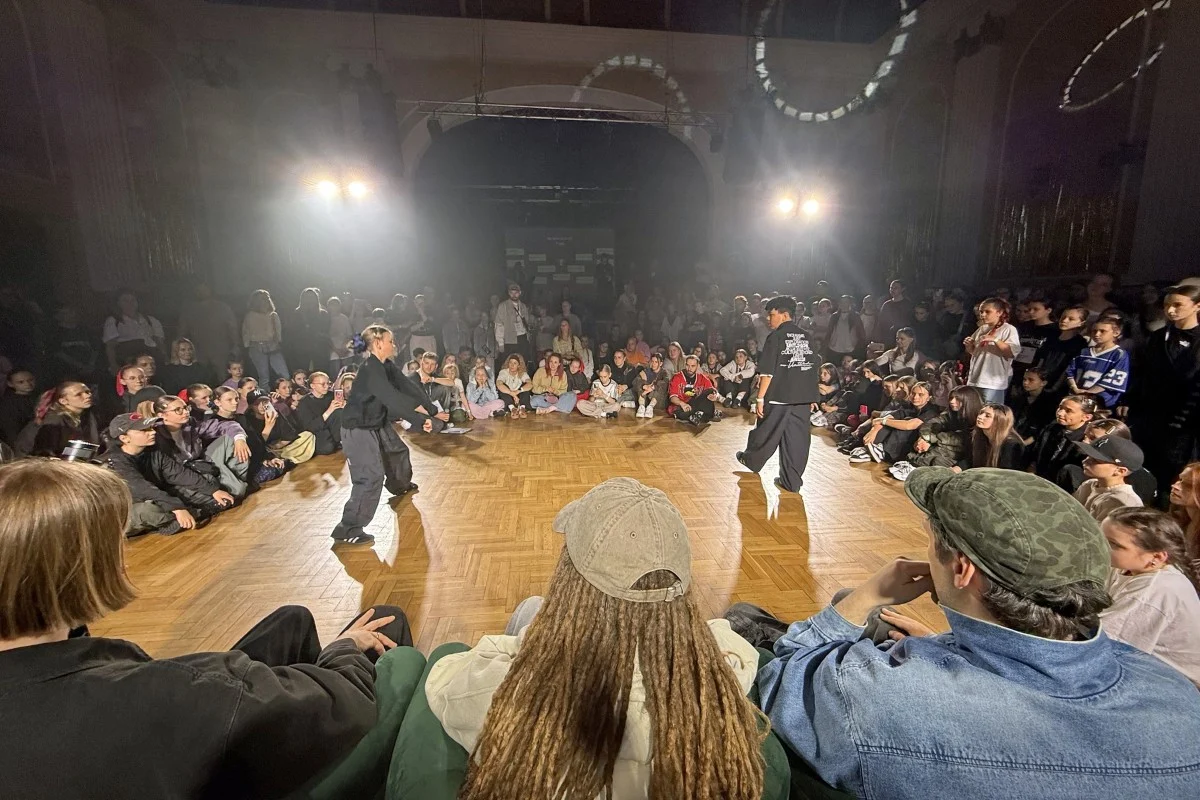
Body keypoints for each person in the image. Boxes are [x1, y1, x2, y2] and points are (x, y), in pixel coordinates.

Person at [752, 467, 1200, 798]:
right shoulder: (1175, 693)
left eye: (931, 543)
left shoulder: (874, 693)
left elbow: (777, 682)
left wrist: (865, 597)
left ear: (963, 570)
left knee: (745, 620)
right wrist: (937, 644)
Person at [0, 458, 416, 800]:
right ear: (81, 568)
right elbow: (345, 703)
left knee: (292, 619)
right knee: (388, 627)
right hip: (229, 768)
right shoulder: (159, 692)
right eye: (116, 544)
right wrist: (344, 649)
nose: (124, 557)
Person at [425, 478, 767, 800]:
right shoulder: (721, 684)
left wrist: (539, 642)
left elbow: (442, 677)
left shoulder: (509, 696)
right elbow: (723, 641)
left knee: (530, 609)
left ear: (570, 584)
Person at [333, 325, 436, 546]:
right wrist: (418, 420)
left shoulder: (385, 365)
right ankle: (348, 529)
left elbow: (406, 385)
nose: (394, 344)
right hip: (357, 428)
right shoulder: (371, 370)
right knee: (370, 477)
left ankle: (399, 485)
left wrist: (430, 408)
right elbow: (393, 399)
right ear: (378, 343)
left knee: (397, 452)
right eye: (391, 341)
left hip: (375, 422)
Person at [1101, 507, 1200, 686]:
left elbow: (1105, 645)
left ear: (1156, 557)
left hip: (1178, 685)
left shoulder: (1156, 589)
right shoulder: (1128, 567)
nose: (1101, 546)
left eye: (1114, 544)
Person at [736, 296, 820, 492]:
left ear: (784, 315)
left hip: (779, 396)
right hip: (802, 398)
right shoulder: (807, 337)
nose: (768, 319)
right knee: (797, 440)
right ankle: (791, 482)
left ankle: (751, 460)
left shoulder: (775, 337)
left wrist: (760, 398)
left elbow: (767, 372)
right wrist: (812, 397)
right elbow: (812, 368)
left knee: (765, 431)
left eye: (772, 314)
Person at [102, 413, 234, 536]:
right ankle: (186, 516)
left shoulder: (152, 451)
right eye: (144, 430)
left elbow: (179, 474)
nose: (152, 432)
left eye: (151, 428)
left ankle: (185, 516)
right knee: (149, 510)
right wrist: (177, 507)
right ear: (124, 438)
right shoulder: (113, 462)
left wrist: (213, 491)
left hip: (156, 496)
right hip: (124, 511)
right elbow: (142, 489)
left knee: (209, 488)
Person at [1129, 285, 1200, 504]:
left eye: (1178, 305)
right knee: (1145, 465)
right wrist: (1131, 400)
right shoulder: (1158, 337)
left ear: (1197, 306)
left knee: (1173, 470)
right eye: (1167, 305)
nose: (1170, 310)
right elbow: (1142, 371)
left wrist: (1185, 417)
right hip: (1151, 414)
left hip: (1185, 419)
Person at [148, 394, 251, 498]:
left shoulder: (190, 423)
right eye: (178, 410)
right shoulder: (155, 435)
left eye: (186, 407)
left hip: (200, 464)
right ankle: (231, 487)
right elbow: (170, 472)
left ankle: (235, 483)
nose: (185, 412)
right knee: (237, 491)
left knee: (231, 438)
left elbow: (227, 425)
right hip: (181, 476)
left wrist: (239, 439)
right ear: (162, 415)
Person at [888, 386, 983, 479]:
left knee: (939, 454)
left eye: (957, 398)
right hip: (943, 448)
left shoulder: (977, 422)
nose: (952, 401)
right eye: (951, 398)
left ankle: (916, 469)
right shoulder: (950, 414)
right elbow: (931, 424)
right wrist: (925, 438)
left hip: (959, 457)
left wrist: (931, 439)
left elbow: (957, 440)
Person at [963, 297, 1021, 404]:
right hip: (976, 378)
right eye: (981, 312)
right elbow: (975, 353)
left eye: (987, 312)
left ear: (999, 312)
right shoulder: (982, 329)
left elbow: (1011, 353)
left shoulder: (1008, 329)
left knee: (990, 410)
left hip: (993, 382)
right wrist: (969, 346)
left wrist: (995, 340)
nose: (983, 315)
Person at [1073, 436, 1145, 521]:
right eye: (1088, 456)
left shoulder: (1124, 502)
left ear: (1120, 471)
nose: (1084, 461)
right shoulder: (1089, 484)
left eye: (1095, 460)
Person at [1030, 395, 1096, 487]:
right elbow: (1036, 452)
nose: (1060, 413)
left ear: (1086, 417)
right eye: (1060, 408)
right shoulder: (1052, 428)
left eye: (1068, 411)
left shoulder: (1087, 440)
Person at [1066, 317, 1130, 409]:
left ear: (1116, 333)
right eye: (1094, 331)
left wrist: (1088, 393)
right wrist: (1074, 388)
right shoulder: (1083, 352)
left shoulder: (1119, 354)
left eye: (1102, 331)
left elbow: (1112, 380)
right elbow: (1070, 372)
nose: (1097, 334)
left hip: (1101, 403)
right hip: (1077, 399)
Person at [176, 283, 240, 373]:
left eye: (204, 289)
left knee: (221, 373)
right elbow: (182, 331)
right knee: (200, 374)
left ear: (210, 290)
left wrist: (235, 345)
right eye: (199, 290)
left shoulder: (222, 308)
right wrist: (178, 348)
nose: (201, 292)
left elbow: (232, 328)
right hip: (198, 349)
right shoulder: (189, 310)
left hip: (220, 348)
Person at [102, 289, 164, 374]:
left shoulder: (151, 320)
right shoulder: (113, 321)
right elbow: (110, 346)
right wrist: (113, 365)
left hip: (151, 357)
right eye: (125, 300)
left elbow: (160, 343)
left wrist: (165, 359)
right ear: (118, 303)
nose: (129, 303)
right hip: (128, 359)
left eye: (132, 300)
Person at [1032, 304, 1087, 396]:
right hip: (1038, 383)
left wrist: (1054, 388)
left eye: (1071, 319)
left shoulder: (1080, 343)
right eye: (1063, 317)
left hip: (1057, 389)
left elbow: (1068, 369)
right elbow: (1041, 359)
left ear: (1081, 323)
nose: (1064, 320)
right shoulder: (1051, 336)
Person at [294, 371, 346, 454]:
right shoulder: (304, 402)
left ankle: (340, 440)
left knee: (340, 412)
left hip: (331, 429)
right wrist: (329, 410)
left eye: (328, 383)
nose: (327, 386)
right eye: (323, 384)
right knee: (327, 448)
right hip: (316, 432)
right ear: (312, 386)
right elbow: (310, 427)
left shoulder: (332, 395)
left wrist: (345, 406)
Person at [243, 289, 288, 384]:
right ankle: (264, 393)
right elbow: (246, 333)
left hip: (273, 347)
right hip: (256, 347)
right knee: (264, 377)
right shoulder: (250, 316)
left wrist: (277, 343)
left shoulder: (273, 315)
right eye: (262, 299)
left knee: (284, 375)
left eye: (267, 298)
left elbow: (278, 333)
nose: (265, 301)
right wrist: (247, 347)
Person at [286, 288, 330, 375]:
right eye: (307, 299)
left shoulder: (323, 314)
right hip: (301, 350)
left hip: (319, 349)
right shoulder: (296, 314)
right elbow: (292, 332)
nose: (310, 301)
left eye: (312, 298)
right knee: (302, 373)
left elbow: (325, 329)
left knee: (320, 372)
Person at [667, 354, 720, 426]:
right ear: (685, 364)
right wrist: (682, 404)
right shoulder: (677, 377)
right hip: (682, 405)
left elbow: (714, 391)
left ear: (697, 366)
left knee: (710, 391)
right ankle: (702, 415)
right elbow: (672, 398)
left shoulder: (701, 377)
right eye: (687, 365)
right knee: (681, 413)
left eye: (693, 366)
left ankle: (698, 415)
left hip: (695, 403)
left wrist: (715, 396)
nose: (689, 368)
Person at [1010, 366, 1057, 446]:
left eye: (1031, 380)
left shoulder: (1049, 402)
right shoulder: (1019, 398)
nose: (1025, 382)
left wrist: (1024, 443)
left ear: (1043, 383)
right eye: (1024, 379)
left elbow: (1043, 427)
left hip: (1033, 442)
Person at [493, 283, 533, 366]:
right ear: (509, 293)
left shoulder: (523, 306)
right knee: (508, 363)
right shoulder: (503, 306)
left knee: (522, 362)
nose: (514, 295)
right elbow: (499, 325)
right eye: (512, 293)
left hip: (522, 337)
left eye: (516, 293)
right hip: (509, 339)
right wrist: (500, 343)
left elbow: (527, 322)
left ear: (520, 293)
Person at [0, 369, 36, 448]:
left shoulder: (36, 397)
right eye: (21, 382)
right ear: (10, 384)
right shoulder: (8, 404)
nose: (28, 384)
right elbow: (10, 430)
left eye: (30, 380)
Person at [495, 354, 532, 418]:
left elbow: (530, 384)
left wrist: (518, 391)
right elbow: (499, 384)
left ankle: (522, 408)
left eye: (515, 363)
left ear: (519, 365)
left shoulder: (522, 373)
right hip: (508, 397)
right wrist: (512, 393)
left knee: (525, 386)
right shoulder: (503, 372)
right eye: (510, 362)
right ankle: (512, 408)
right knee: (503, 386)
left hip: (519, 398)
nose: (512, 365)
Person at [633, 352, 668, 418]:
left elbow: (665, 383)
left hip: (658, 401)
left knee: (660, 386)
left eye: (656, 362)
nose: (653, 364)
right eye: (652, 361)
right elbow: (635, 381)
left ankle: (650, 407)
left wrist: (652, 387)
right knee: (640, 382)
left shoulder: (664, 373)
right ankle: (641, 406)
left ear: (661, 363)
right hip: (646, 398)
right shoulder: (647, 370)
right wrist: (644, 385)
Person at [326, 295, 355, 374]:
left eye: (336, 305)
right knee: (335, 373)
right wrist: (336, 350)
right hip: (332, 351)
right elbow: (326, 337)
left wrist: (344, 347)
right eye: (332, 305)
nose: (334, 307)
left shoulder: (344, 318)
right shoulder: (326, 319)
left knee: (348, 372)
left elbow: (349, 334)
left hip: (345, 350)